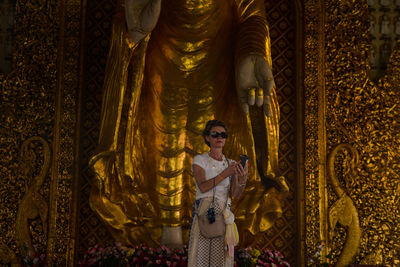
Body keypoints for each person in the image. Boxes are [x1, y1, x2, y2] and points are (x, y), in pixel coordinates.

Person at [89, 0, 288, 247]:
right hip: (161, 56)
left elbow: (251, 16)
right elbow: (128, 12)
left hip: (220, 62)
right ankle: (166, 243)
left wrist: (252, 50)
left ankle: (209, 241)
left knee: (211, 147)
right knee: (163, 142)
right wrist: (134, 32)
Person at [188, 120, 247, 267]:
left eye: (223, 134)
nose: (219, 137)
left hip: (223, 216)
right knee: (199, 259)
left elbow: (236, 194)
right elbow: (203, 187)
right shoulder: (200, 160)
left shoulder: (230, 163)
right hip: (204, 213)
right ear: (207, 137)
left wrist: (242, 177)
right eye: (215, 134)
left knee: (220, 261)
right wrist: (226, 173)